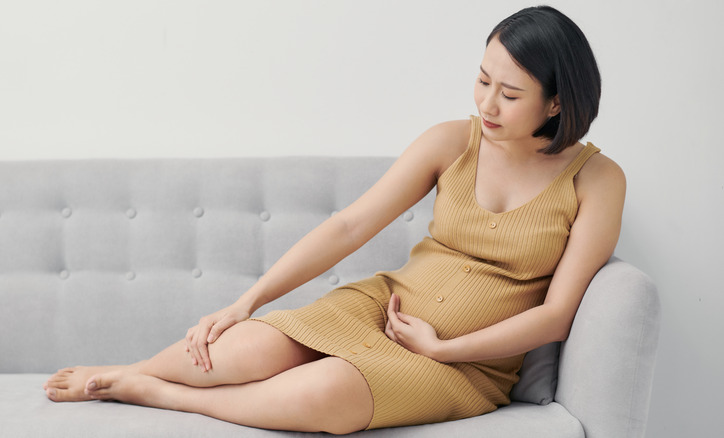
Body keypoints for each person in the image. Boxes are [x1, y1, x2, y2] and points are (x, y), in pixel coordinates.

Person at [43, 5, 625, 434]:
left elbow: (555, 316)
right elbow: (350, 226)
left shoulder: (597, 181)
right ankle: (129, 372)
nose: (486, 104)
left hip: (464, 363)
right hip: (382, 306)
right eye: (482, 80)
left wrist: (444, 349)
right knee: (242, 351)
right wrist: (247, 302)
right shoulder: (452, 141)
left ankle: (158, 393)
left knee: (325, 396)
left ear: (556, 102)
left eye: (510, 93)